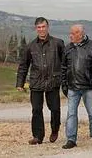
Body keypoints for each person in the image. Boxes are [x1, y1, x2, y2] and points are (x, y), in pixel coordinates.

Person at [15, 17, 65, 145]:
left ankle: (55, 129)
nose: (41, 29)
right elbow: (23, 65)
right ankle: (38, 136)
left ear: (48, 27)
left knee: (54, 109)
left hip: (53, 81)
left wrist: (64, 79)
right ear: (36, 29)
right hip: (36, 82)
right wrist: (20, 83)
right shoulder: (30, 46)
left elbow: (65, 63)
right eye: (39, 27)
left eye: (43, 27)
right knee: (36, 109)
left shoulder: (58, 43)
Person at [60, 25, 92, 149]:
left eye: (73, 33)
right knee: (71, 114)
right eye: (70, 33)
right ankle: (71, 139)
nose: (70, 35)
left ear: (80, 34)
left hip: (90, 87)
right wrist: (64, 85)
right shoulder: (68, 48)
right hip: (72, 87)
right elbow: (63, 68)